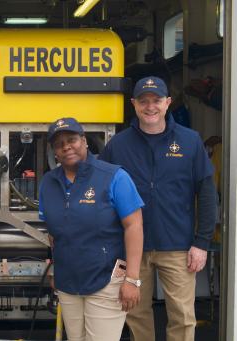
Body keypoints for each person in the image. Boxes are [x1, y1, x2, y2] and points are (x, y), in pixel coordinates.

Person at [99, 76, 217, 341]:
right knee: (135, 314)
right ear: (134, 104)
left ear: (168, 103)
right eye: (144, 101)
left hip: (178, 246)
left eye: (156, 100)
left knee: (183, 317)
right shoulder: (118, 145)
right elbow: (101, 196)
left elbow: (207, 193)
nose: (150, 107)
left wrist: (202, 242)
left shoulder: (190, 141)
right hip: (131, 249)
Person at [39, 117, 144, 341]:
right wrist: (56, 267)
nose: (66, 146)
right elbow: (54, 232)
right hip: (68, 283)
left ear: (84, 141)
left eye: (72, 140)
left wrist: (132, 279)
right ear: (54, 152)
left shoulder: (114, 176)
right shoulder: (48, 182)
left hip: (106, 280)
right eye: (59, 144)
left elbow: (134, 226)